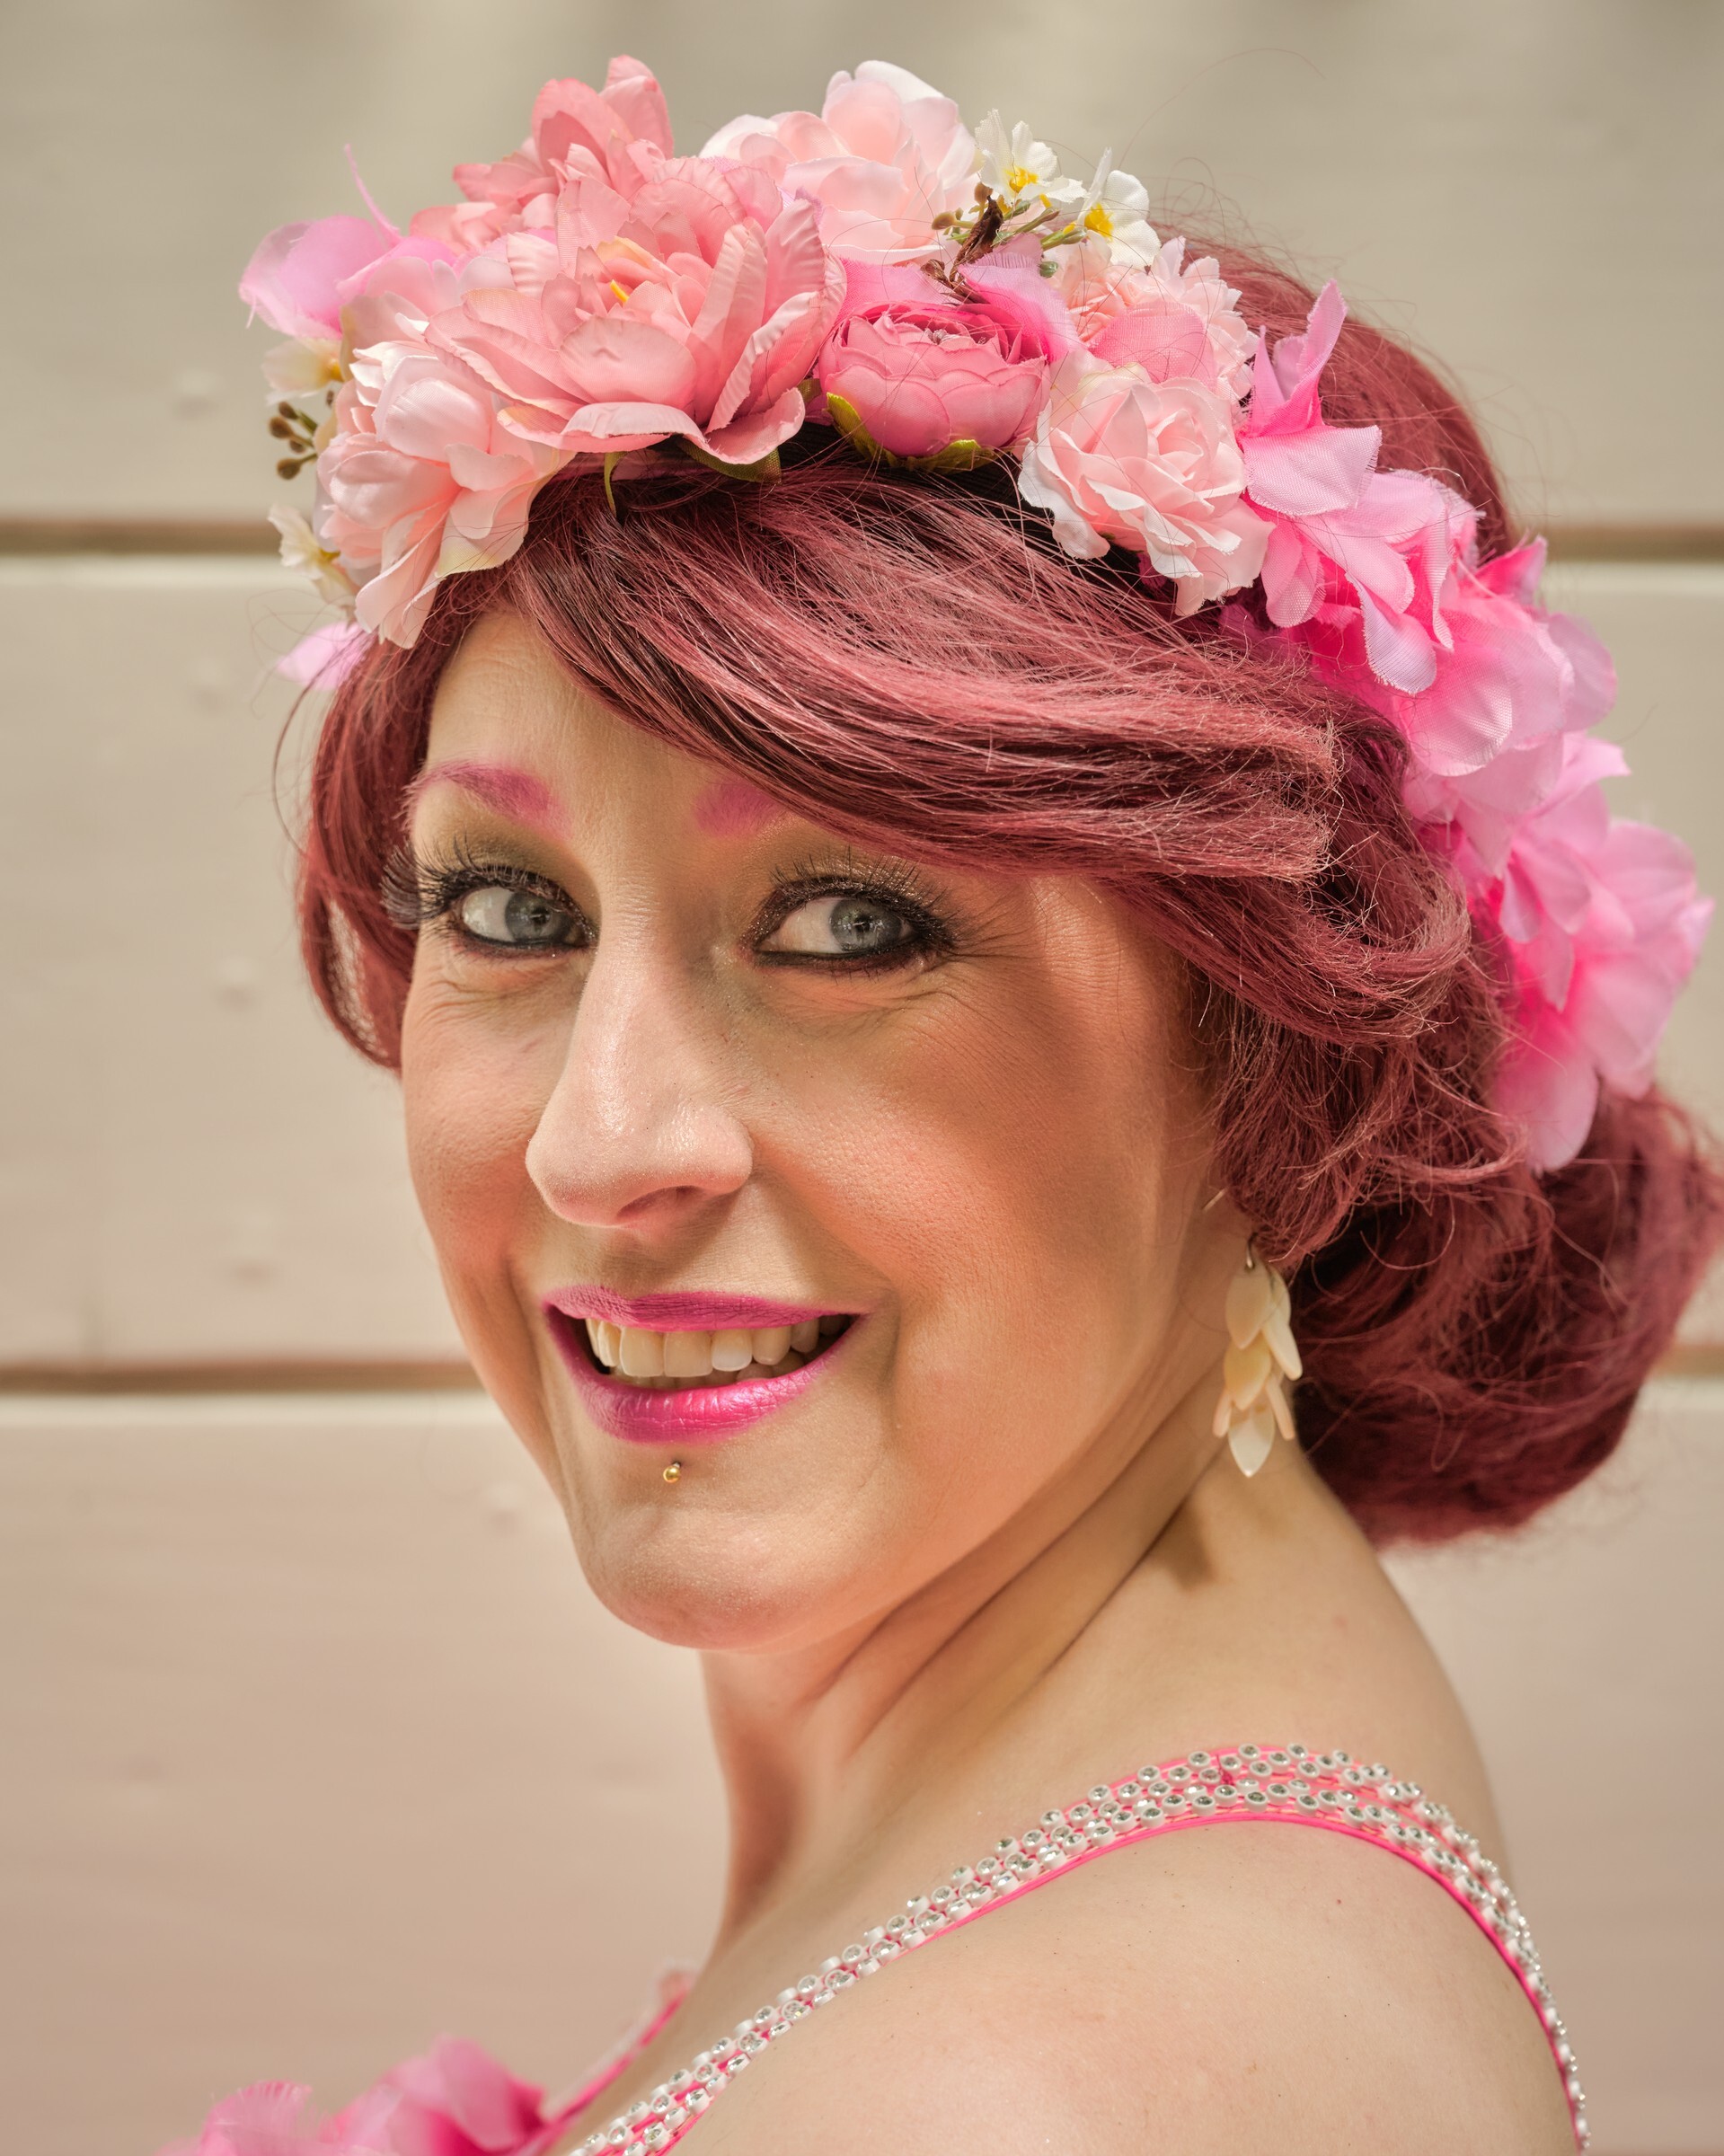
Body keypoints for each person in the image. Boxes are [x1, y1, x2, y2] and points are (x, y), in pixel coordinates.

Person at [172, 55, 1720, 2155]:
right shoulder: (1105, 1873)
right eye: (509, 908)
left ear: (1283, 1052)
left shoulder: (1008, 2102)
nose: (598, 1148)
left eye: (849, 928)